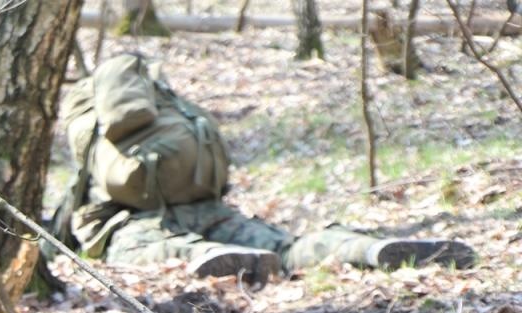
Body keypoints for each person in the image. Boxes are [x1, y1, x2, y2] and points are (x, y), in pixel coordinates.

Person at [63, 55, 476, 282]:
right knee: (285, 245)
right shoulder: (165, 105)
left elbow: (83, 191)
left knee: (146, 248)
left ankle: (216, 256)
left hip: (138, 219)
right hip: (210, 206)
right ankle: (360, 249)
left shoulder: (93, 124)